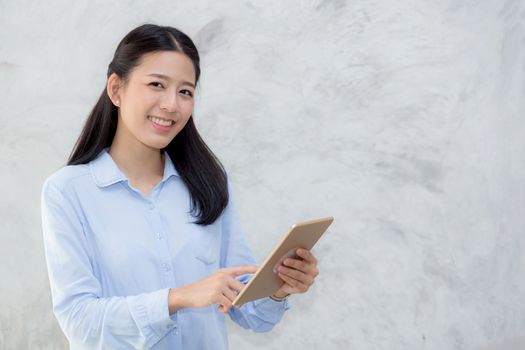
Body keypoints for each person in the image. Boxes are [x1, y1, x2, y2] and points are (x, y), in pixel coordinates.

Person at [40, 23, 320, 349]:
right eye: (157, 84)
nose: (172, 104)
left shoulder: (209, 182)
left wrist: (279, 287)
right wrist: (178, 298)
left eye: (185, 91)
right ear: (116, 89)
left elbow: (249, 313)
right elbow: (80, 322)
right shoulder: (68, 191)